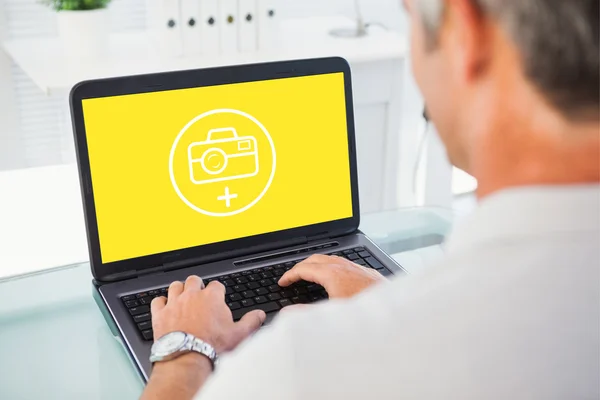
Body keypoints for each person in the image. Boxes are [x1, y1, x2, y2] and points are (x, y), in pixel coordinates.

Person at [141, 0, 600, 398]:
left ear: (464, 34)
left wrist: (183, 353)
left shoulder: (301, 368)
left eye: (410, 20)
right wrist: (395, 302)